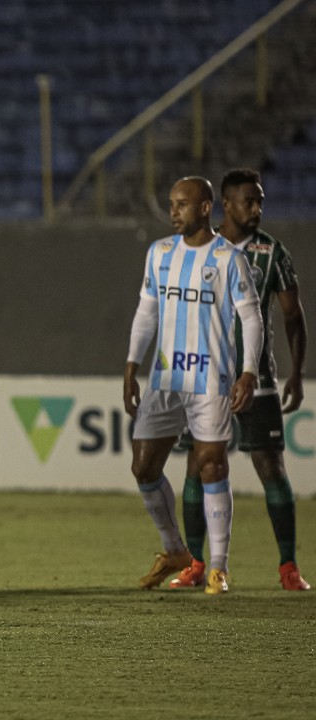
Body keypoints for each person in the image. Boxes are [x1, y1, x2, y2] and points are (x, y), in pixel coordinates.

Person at [169, 169, 309, 591]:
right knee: (197, 466)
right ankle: (196, 565)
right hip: (203, 379)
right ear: (224, 205)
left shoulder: (272, 253)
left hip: (258, 381)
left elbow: (292, 317)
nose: (258, 209)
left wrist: (297, 374)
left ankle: (288, 567)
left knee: (271, 467)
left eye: (261, 201)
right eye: (250, 201)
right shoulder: (196, 250)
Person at [124, 176, 263, 595]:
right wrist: (132, 363)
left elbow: (251, 317)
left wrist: (248, 371)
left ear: (205, 208)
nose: (173, 212)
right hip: (165, 377)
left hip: (210, 378)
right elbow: (147, 311)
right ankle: (176, 551)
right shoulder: (160, 253)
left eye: (182, 204)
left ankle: (218, 567)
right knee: (144, 466)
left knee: (211, 466)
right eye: (171, 204)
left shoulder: (227, 258)